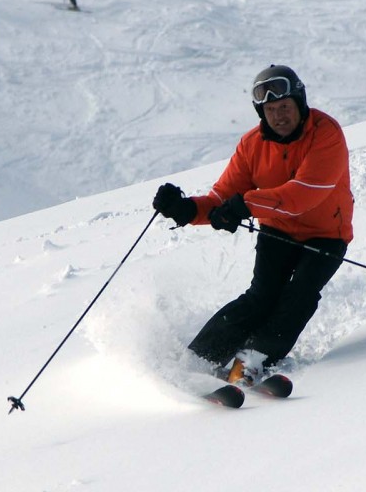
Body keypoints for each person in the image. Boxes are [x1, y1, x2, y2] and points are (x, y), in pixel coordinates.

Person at [152, 65, 354, 384]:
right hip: (277, 231)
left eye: (285, 107)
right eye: (270, 109)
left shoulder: (326, 133)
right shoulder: (252, 145)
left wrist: (245, 204)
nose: (279, 116)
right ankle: (195, 361)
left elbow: (305, 193)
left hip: (326, 235)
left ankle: (251, 361)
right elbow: (222, 197)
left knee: (298, 295)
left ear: (300, 104)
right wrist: (187, 209)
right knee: (261, 297)